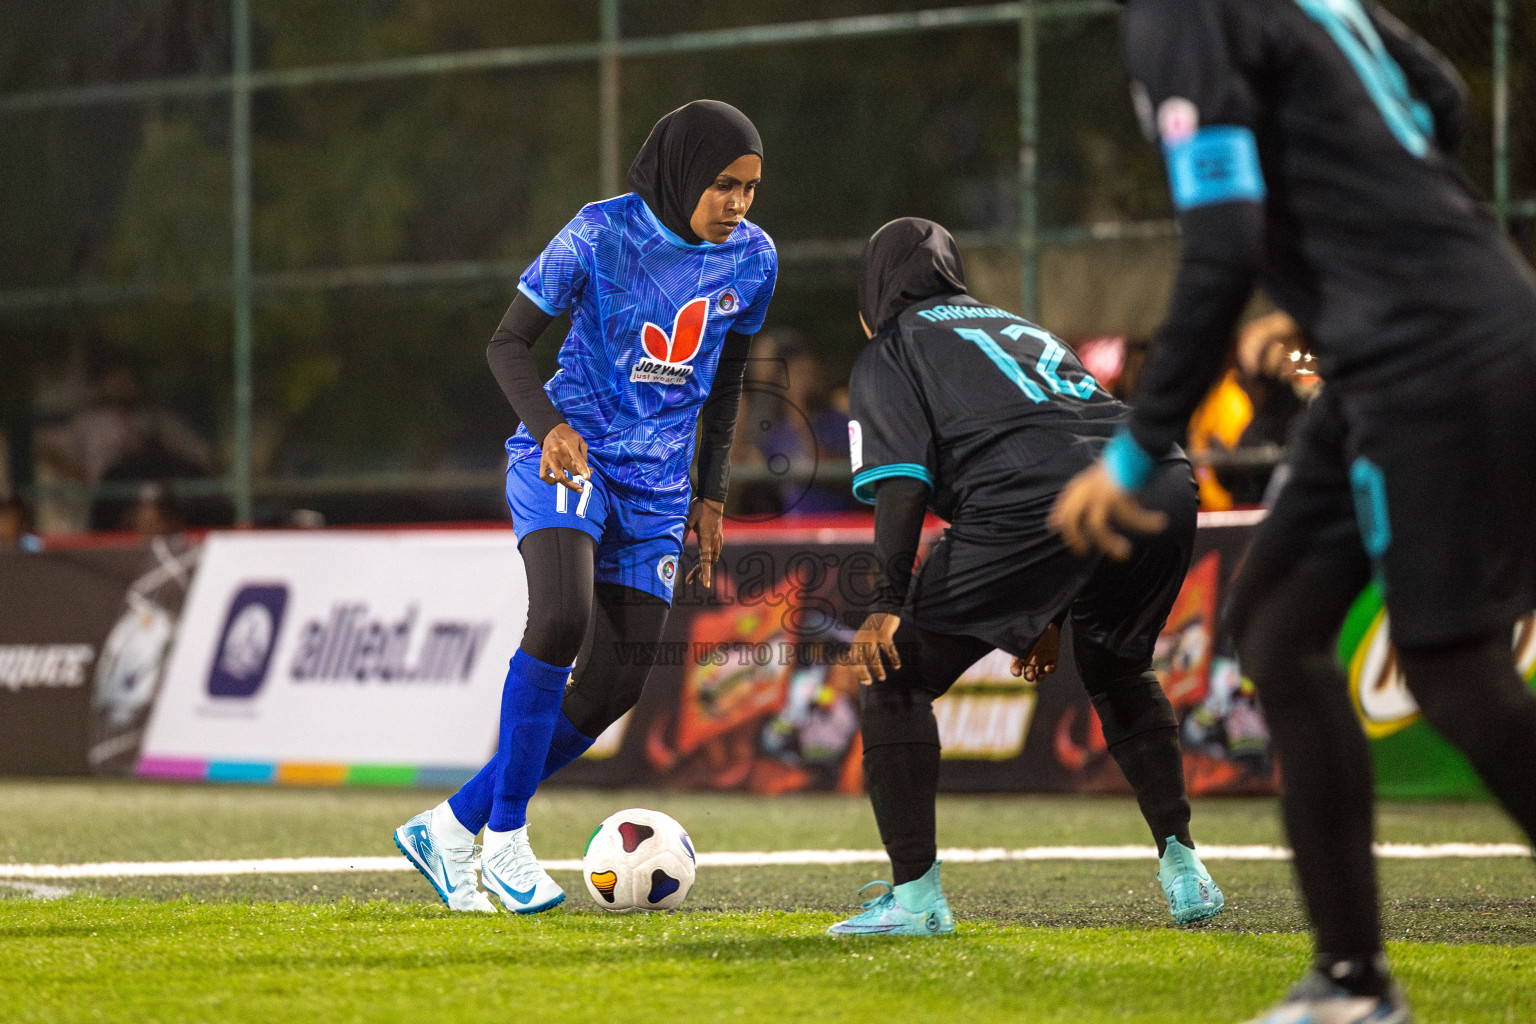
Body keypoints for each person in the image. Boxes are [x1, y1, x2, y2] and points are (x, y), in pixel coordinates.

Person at [1050, 3, 1536, 1020]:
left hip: (1426, 354)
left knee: (1455, 672)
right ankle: (1352, 979)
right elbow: (1439, 99)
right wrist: (1344, 260)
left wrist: (1139, 448)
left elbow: (1220, 248)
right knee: (1275, 617)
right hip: (1415, 336)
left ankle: (1356, 979)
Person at [392, 100, 776, 914]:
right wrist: (550, 427)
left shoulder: (754, 260)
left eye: (749, 188)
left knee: (614, 688)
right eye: (722, 185)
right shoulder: (601, 233)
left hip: (661, 490)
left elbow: (729, 380)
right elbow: (506, 343)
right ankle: (505, 838)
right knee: (561, 618)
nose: (738, 205)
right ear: (680, 174)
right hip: (568, 454)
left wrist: (711, 495)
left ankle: (450, 827)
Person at [829, 217, 1222, 936]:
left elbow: (905, 483)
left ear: (875, 292)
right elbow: (1067, 442)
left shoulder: (893, 347)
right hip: (1157, 476)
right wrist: (1043, 613)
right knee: (1118, 667)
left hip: (1036, 498)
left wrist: (886, 601)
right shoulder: (1019, 326)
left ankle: (916, 900)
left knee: (894, 675)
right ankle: (1183, 866)